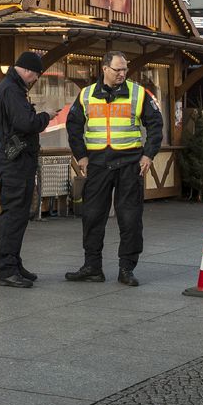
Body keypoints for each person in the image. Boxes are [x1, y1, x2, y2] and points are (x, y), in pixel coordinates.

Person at [64, 51, 163, 286]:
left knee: (130, 218)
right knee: (91, 217)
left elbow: (156, 126)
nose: (122, 73)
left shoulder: (138, 94)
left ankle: (126, 269)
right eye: (118, 69)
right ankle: (92, 267)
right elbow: (73, 126)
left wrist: (148, 155)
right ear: (105, 69)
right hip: (97, 164)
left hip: (130, 163)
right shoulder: (86, 95)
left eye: (125, 69)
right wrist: (81, 157)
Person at [0, 51, 50, 288]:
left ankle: (14, 263)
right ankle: (7, 270)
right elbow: (25, 123)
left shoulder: (6, 87)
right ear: (26, 70)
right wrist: (45, 117)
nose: (35, 78)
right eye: (35, 74)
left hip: (13, 159)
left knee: (18, 215)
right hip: (13, 161)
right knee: (13, 216)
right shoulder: (12, 90)